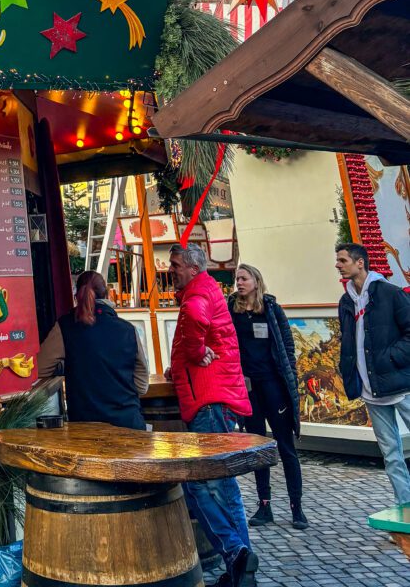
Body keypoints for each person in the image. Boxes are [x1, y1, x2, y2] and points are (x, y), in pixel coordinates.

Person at [167, 243, 257, 587]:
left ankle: (234, 551)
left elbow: (196, 317)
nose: (171, 269)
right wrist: (184, 358)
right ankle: (241, 566)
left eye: (175, 264)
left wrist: (193, 350)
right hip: (216, 397)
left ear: (192, 268)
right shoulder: (204, 289)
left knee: (200, 484)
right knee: (224, 484)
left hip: (209, 400)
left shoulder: (196, 295)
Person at [229, 264, 307, 529]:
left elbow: (287, 346)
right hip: (249, 388)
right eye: (236, 279)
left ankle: (296, 506)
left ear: (256, 280)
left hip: (274, 385)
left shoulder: (272, 309)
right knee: (257, 446)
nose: (239, 283)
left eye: (243, 278)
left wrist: (290, 380)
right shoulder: (232, 310)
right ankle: (264, 506)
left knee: (285, 446)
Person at [336, 241, 410, 504]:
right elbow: (349, 340)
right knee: (390, 454)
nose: (338, 265)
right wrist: (348, 370)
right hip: (371, 390)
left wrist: (391, 358)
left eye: (343, 260)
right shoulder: (346, 301)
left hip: (401, 386)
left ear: (360, 262)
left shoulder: (390, 293)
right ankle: (405, 507)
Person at [38, 270, 148, 427]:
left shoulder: (65, 327)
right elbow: (142, 386)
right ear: (108, 294)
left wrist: (67, 365)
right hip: (129, 426)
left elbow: (40, 368)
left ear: (77, 296)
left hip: (87, 430)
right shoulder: (128, 330)